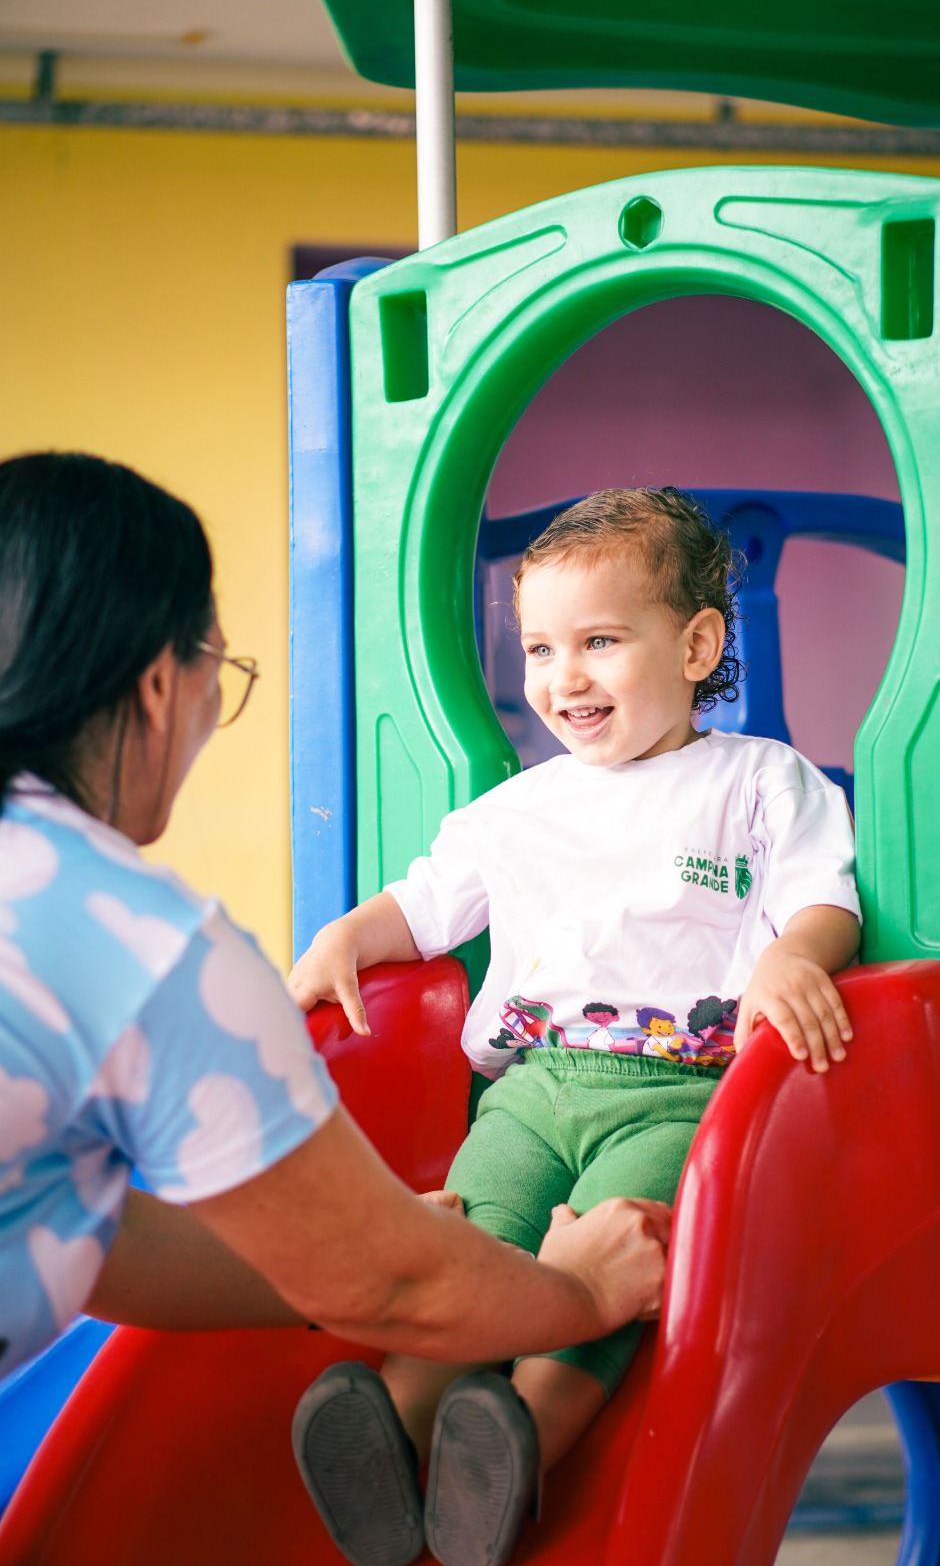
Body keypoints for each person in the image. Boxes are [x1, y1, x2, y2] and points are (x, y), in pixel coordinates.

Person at [0, 455, 670, 1426]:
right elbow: (397, 1289)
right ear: (156, 685)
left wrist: (347, 1256)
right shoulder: (143, 945)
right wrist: (581, 1293)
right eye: (216, 676)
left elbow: (75, 1233)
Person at [288, 486, 863, 1566]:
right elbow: (427, 900)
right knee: (469, 1238)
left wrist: (793, 955)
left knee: (611, 1243)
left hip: (676, 1089)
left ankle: (515, 1449)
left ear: (696, 644)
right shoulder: (520, 805)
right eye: (541, 648)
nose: (563, 678)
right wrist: (346, 938)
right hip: (527, 1088)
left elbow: (821, 897)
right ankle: (395, 1428)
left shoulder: (756, 781)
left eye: (600, 641)